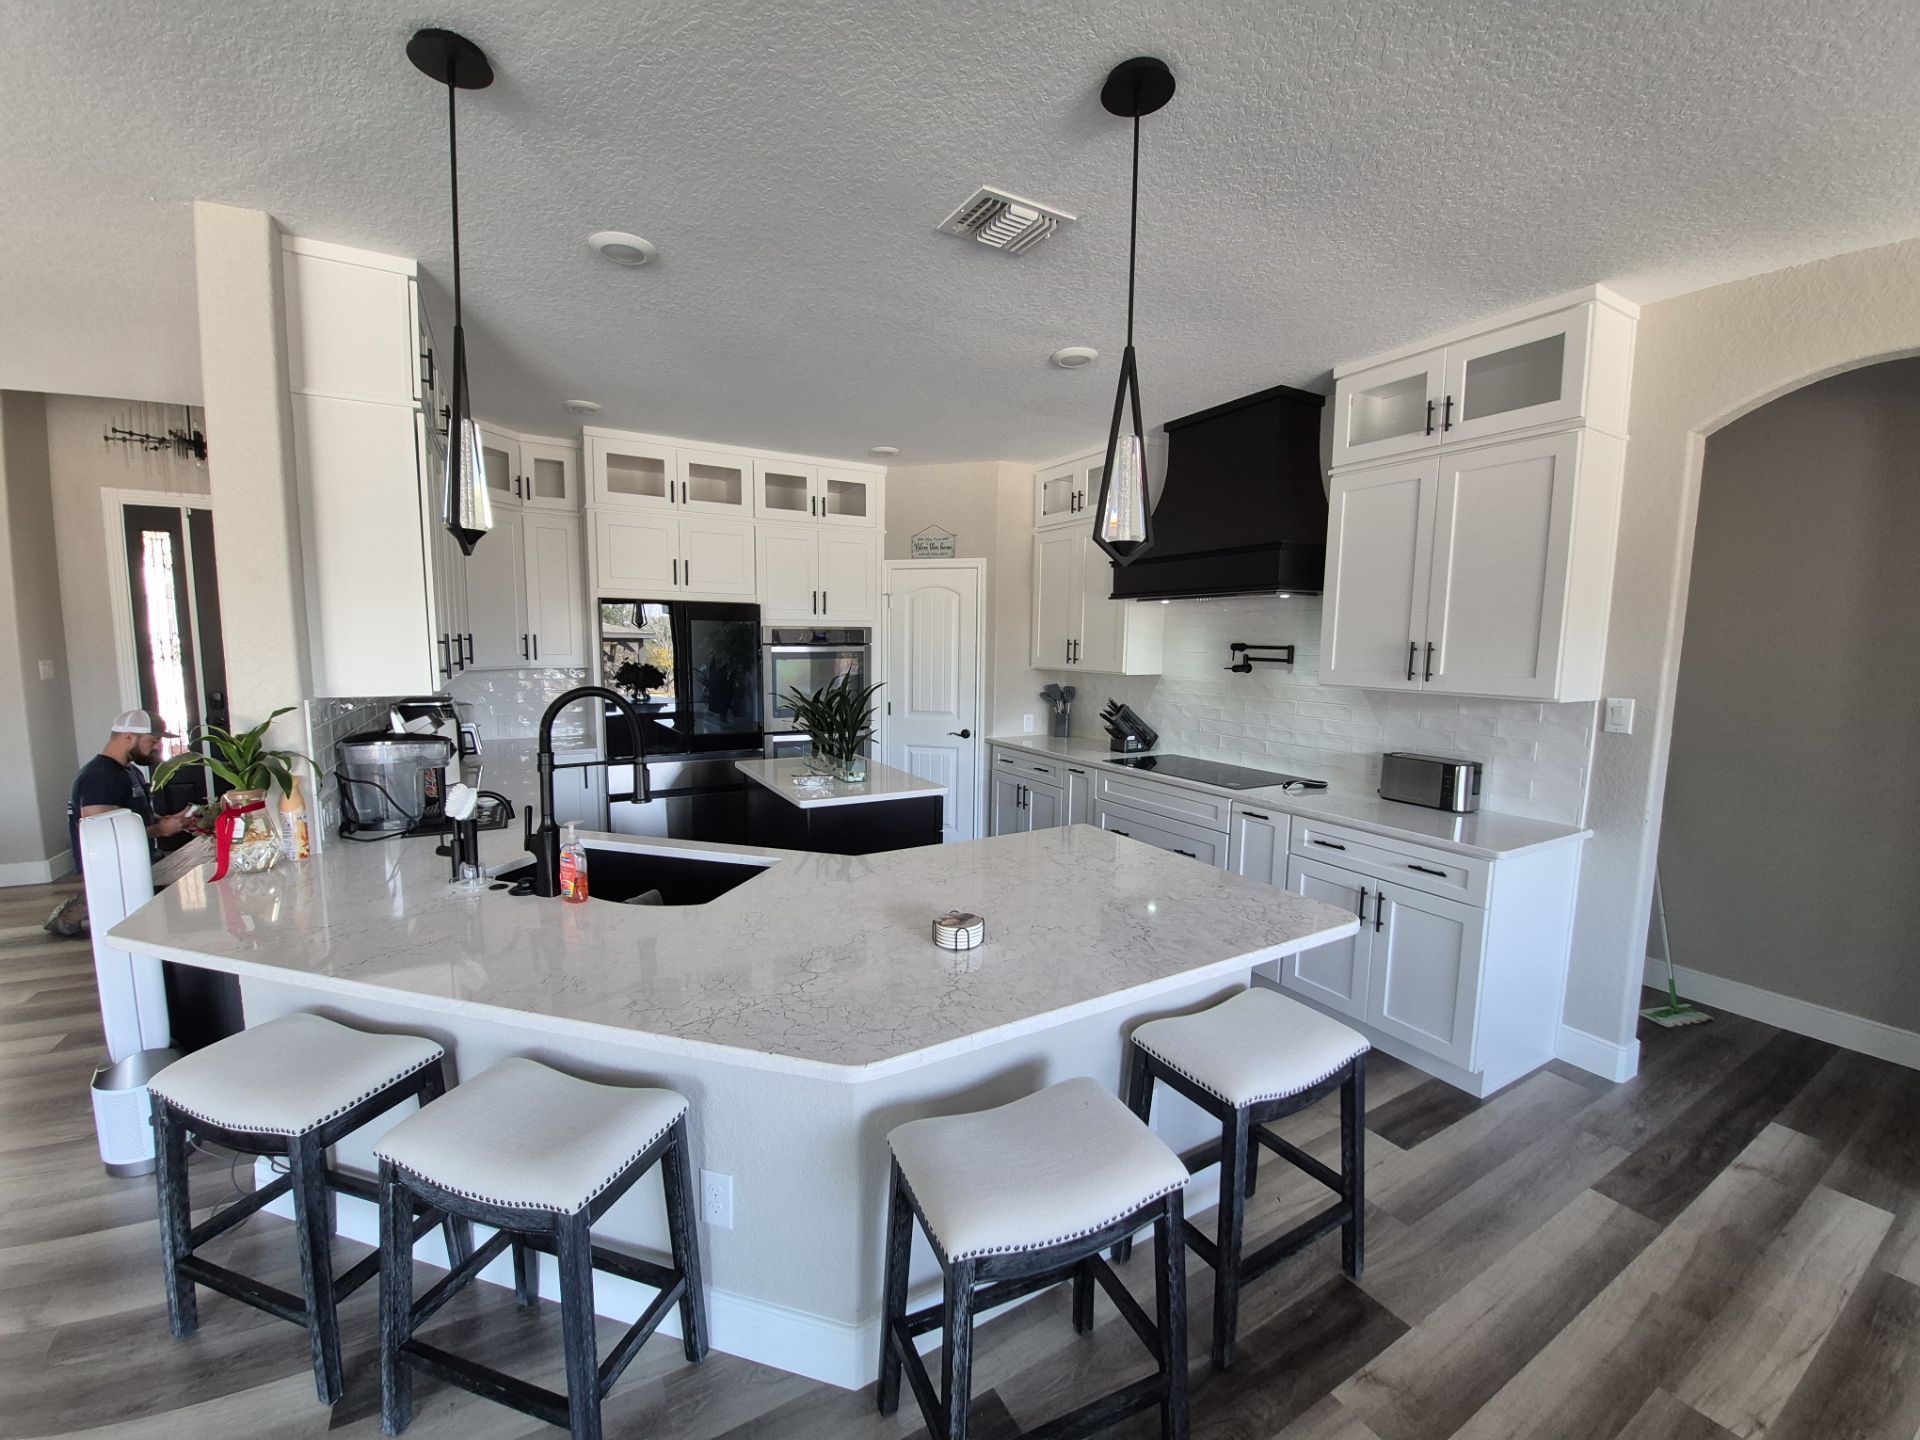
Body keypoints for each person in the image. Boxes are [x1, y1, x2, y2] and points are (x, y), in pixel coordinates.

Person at [45, 709, 197, 938]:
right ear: (128, 737)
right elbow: (105, 834)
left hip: (139, 857)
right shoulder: (99, 777)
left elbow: (134, 816)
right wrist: (160, 831)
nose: (158, 748)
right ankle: (71, 913)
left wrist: (166, 821)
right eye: (153, 741)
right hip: (111, 866)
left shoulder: (130, 771)